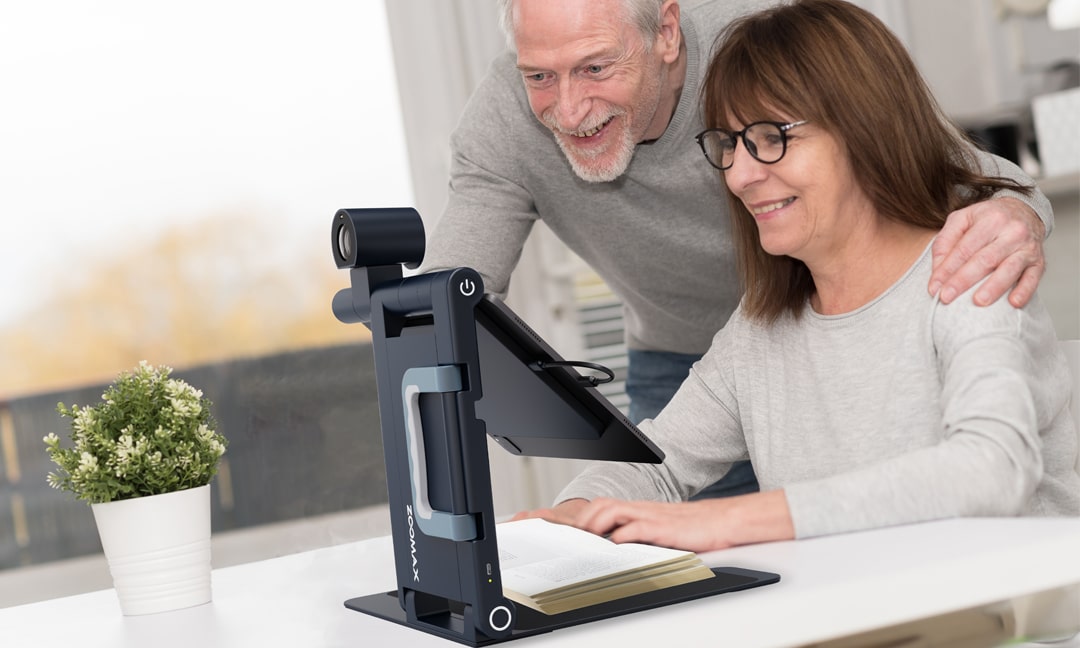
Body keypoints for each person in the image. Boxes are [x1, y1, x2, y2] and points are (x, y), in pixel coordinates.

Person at [420, 0, 1055, 499]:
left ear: (666, 33)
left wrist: (1015, 215)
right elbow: (447, 303)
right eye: (539, 75)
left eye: (595, 66)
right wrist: (556, 521)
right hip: (711, 349)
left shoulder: (758, 54)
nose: (568, 107)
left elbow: (956, 167)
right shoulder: (504, 120)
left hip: (825, 318)